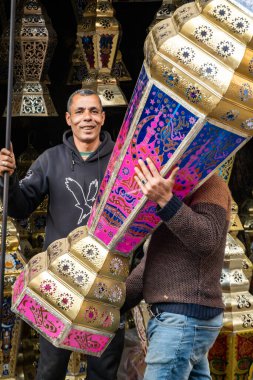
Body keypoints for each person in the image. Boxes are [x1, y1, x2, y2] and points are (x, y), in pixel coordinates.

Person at [0, 89, 125, 380]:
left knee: (104, 372)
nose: (87, 118)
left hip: (104, 287)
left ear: (103, 117)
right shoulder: (50, 160)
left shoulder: (121, 161)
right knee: (50, 370)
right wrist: (8, 176)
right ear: (68, 119)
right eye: (80, 112)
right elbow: (19, 208)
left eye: (94, 111)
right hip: (58, 286)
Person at [121, 157, 232, 380]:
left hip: (183, 320)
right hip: (181, 320)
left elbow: (207, 240)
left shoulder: (210, 184)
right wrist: (112, 303)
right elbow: (153, 265)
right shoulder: (175, 190)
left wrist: (166, 200)